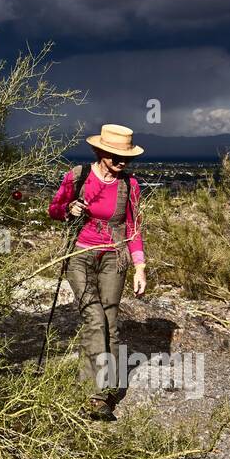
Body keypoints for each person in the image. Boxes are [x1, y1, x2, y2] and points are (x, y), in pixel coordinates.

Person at [48, 124, 146, 420]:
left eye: (126, 157)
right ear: (100, 151)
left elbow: (134, 228)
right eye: (116, 156)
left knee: (111, 321)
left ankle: (109, 385)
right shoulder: (77, 176)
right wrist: (69, 209)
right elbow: (53, 209)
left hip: (115, 258)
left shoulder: (130, 185)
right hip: (79, 255)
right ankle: (93, 395)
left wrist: (140, 267)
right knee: (94, 318)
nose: (121, 162)